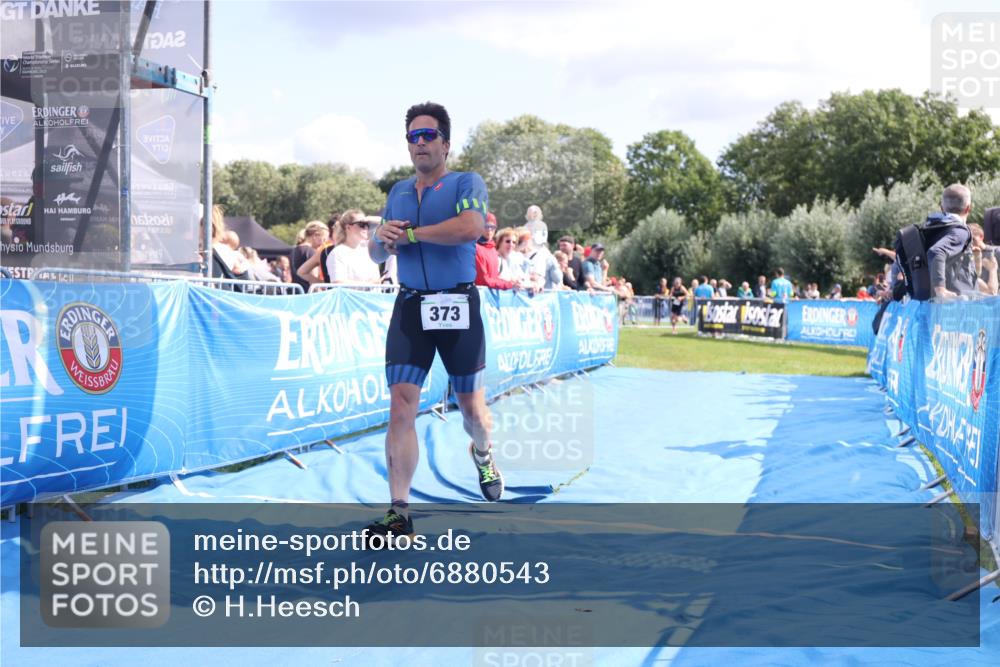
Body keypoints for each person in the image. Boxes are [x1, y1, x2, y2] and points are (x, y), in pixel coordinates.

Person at [365, 102, 503, 540]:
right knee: (401, 405)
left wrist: (410, 234)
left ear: (445, 142)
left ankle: (482, 454)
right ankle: (399, 511)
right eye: (412, 136)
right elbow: (375, 253)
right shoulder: (398, 192)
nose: (420, 143)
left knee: (472, 411)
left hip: (458, 305)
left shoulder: (466, 182)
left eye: (428, 135)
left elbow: (469, 227)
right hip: (410, 306)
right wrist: (381, 240)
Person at [298, 210, 380, 286]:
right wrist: (323, 285)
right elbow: (338, 283)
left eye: (367, 224)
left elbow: (386, 222)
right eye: (361, 224)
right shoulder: (336, 252)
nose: (366, 227)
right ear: (348, 227)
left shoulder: (368, 248)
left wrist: (367, 219)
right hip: (348, 300)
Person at [474, 212, 517, 290]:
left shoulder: (492, 249)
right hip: (481, 298)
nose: (489, 230)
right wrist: (509, 284)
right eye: (486, 226)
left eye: (492, 227)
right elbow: (483, 281)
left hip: (492, 299)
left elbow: (495, 278)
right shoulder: (475, 248)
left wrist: (513, 283)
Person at [291, 221, 329, 292]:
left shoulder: (294, 250)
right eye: (324, 239)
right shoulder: (311, 252)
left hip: (294, 292)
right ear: (315, 235)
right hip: (307, 293)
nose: (324, 243)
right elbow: (313, 281)